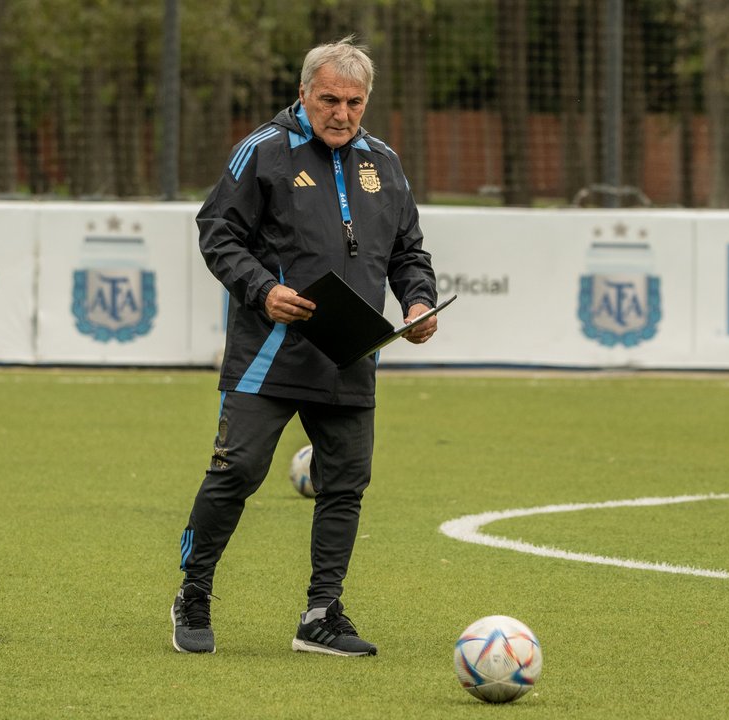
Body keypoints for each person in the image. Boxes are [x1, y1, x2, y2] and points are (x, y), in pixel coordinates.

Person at [171, 36, 439, 657]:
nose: (342, 114)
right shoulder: (263, 151)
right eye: (329, 100)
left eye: (354, 102)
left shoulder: (385, 163)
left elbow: (407, 252)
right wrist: (263, 290)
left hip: (350, 352)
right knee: (237, 470)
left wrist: (418, 303)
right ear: (303, 93)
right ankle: (194, 591)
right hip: (270, 349)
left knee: (344, 484)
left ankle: (321, 614)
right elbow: (217, 232)